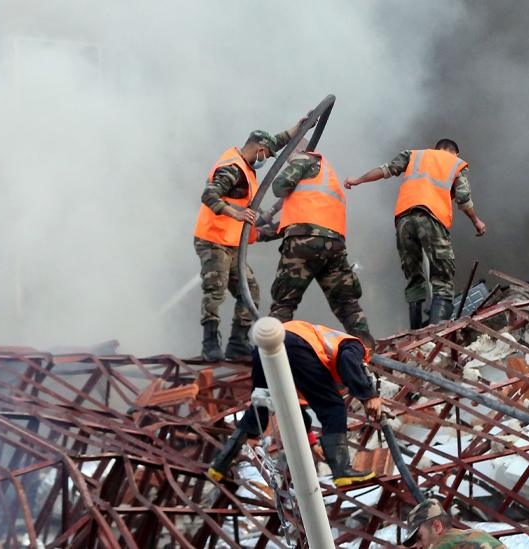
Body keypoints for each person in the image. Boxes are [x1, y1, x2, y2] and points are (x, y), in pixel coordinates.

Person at [207, 320, 383, 487]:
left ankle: (219, 465)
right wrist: (369, 395)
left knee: (258, 410)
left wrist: (311, 442)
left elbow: (295, 406)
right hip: (293, 343)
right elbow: (349, 361)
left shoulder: (316, 356)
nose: (363, 365)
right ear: (367, 350)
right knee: (333, 407)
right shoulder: (354, 345)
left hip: (266, 347)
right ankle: (342, 471)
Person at [344, 139, 486, 329]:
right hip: (432, 218)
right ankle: (437, 334)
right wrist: (476, 221)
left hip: (404, 220)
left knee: (414, 277)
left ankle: (416, 332)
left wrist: (358, 180)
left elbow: (386, 169)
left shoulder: (414, 155)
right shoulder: (456, 164)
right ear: (456, 153)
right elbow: (463, 198)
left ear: (436, 149)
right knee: (442, 278)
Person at [193, 119, 304, 361]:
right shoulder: (232, 168)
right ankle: (209, 343)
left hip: (232, 243)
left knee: (250, 291)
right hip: (213, 240)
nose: (267, 159)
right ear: (258, 149)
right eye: (266, 154)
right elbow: (208, 194)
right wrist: (236, 213)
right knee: (216, 290)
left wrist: (299, 126)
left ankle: (237, 342)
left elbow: (277, 140)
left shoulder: (247, 162)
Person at [262, 150, 374, 348]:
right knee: (347, 305)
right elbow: (300, 220)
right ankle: (367, 353)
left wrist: (294, 161)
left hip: (304, 244)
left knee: (284, 303)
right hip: (333, 245)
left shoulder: (304, 160)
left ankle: (276, 358)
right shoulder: (326, 176)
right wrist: (260, 233)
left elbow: (279, 187)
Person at [402, 498, 505, 548]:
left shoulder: (443, 546)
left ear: (437, 527)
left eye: (419, 537)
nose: (418, 546)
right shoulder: (480, 534)